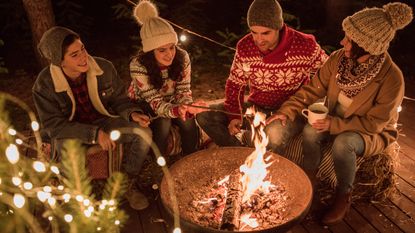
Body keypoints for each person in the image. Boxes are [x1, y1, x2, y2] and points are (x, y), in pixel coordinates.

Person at [266, 2, 413, 225]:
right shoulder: (338, 60)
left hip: (368, 131)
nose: (342, 42)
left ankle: (343, 195)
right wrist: (287, 111)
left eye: (349, 39)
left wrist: (334, 125)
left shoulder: (392, 78)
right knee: (309, 130)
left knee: (343, 143)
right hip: (335, 118)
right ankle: (309, 179)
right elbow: (312, 89)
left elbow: (375, 123)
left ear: (366, 45)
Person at [33, 26, 152, 210]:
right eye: (74, 55)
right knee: (66, 151)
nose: (83, 57)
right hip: (69, 130)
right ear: (59, 61)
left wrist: (132, 113)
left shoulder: (103, 67)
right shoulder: (44, 85)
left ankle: (126, 183)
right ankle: (79, 197)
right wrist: (94, 134)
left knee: (143, 132)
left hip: (102, 120)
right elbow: (53, 126)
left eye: (83, 49)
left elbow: (120, 100)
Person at [196, 0, 328, 153]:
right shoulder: (245, 46)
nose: (258, 39)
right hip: (256, 107)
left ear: (278, 27)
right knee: (204, 116)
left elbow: (328, 72)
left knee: (274, 134)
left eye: (265, 33)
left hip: (290, 111)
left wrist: (310, 102)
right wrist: (234, 116)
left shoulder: (304, 45)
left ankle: (263, 161)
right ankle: (240, 155)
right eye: (254, 32)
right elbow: (235, 84)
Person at [128, 0, 205, 156]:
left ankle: (192, 158)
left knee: (188, 122)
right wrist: (176, 110)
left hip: (172, 100)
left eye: (172, 47)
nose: (169, 54)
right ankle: (159, 159)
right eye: (162, 50)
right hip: (145, 103)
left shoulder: (182, 57)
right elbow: (154, 101)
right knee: (163, 123)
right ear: (150, 51)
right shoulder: (138, 65)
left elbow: (183, 89)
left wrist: (185, 107)